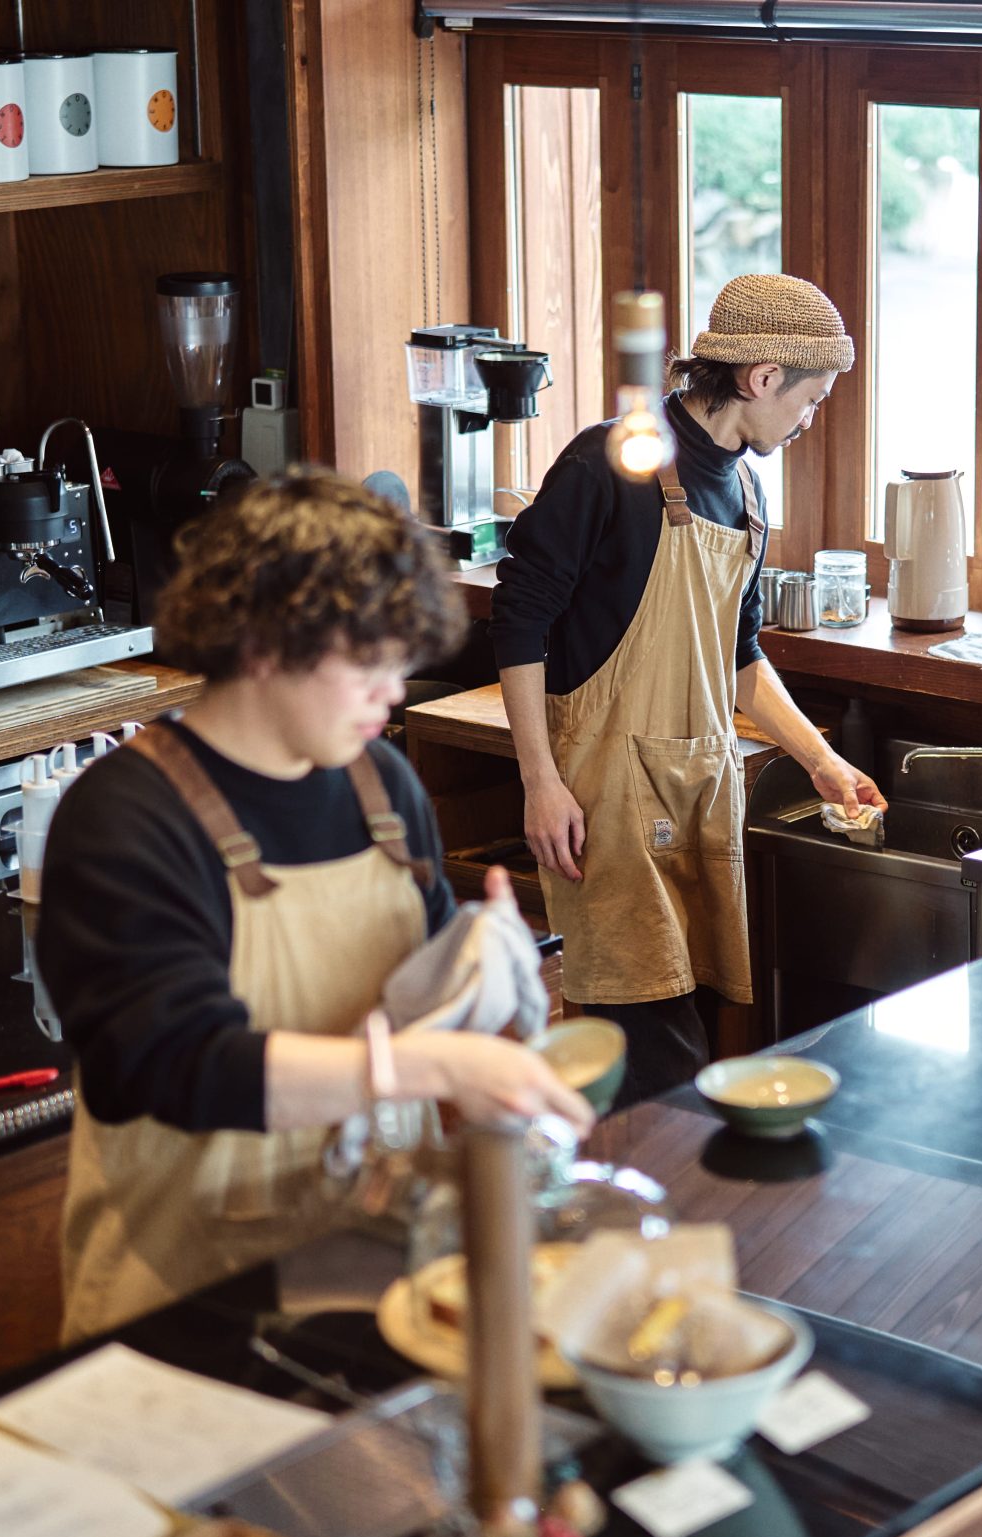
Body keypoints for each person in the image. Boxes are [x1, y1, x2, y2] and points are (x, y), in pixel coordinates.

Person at [38, 471, 592, 1342]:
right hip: (185, 1307)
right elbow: (174, 1063)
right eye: (368, 662)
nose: (393, 691)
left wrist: (478, 957)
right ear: (265, 642)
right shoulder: (126, 817)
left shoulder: (383, 786)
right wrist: (425, 1067)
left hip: (377, 1273)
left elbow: (408, 986)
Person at [491, 274, 884, 1103]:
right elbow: (519, 618)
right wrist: (539, 781)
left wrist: (821, 761)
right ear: (763, 377)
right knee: (654, 1056)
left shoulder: (746, 492)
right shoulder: (609, 464)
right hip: (608, 801)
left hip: (701, 791)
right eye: (812, 400)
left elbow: (739, 658)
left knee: (688, 1037)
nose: (811, 420)